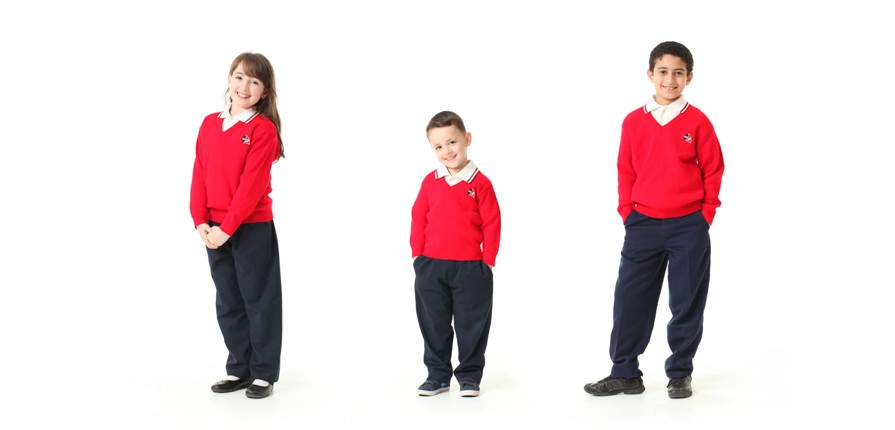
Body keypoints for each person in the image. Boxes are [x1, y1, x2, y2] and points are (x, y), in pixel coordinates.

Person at [584, 41, 724, 399]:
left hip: (688, 226)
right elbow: (625, 169)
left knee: (686, 301)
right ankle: (625, 372)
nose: (670, 79)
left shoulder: (697, 121)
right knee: (630, 299)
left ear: (689, 77)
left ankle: (680, 373)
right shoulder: (633, 121)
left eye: (678, 72)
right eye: (663, 71)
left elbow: (713, 169)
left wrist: (704, 215)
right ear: (650, 74)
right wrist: (627, 213)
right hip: (642, 224)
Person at [190, 52, 285, 400]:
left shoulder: (262, 130)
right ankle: (239, 369)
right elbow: (199, 173)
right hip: (213, 229)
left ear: (265, 91)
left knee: (258, 299)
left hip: (249, 227)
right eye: (240, 77)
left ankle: (263, 373)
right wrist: (200, 220)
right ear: (230, 78)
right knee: (229, 300)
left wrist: (227, 229)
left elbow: (252, 186)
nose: (245, 86)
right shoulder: (209, 123)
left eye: (255, 81)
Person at [410, 111, 501, 398]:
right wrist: (417, 256)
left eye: (452, 142)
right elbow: (418, 217)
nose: (447, 151)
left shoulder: (480, 183)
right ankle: (437, 376)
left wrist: (487, 262)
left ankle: (470, 376)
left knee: (471, 324)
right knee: (433, 324)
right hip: (431, 266)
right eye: (438, 147)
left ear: (467, 139)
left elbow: (492, 222)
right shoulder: (430, 181)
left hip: (471, 268)